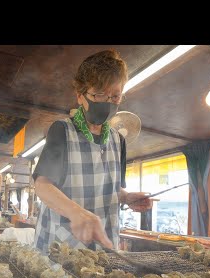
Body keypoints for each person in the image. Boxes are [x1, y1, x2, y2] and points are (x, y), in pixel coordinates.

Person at [33, 49, 153, 254]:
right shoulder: (62, 131)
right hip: (61, 248)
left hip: (104, 246)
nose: (107, 102)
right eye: (99, 94)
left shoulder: (118, 140)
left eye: (115, 96)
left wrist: (127, 197)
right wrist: (76, 213)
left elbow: (113, 189)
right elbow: (42, 186)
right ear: (80, 96)